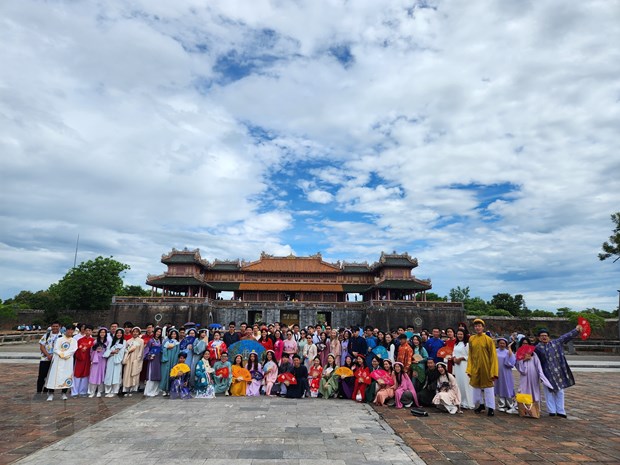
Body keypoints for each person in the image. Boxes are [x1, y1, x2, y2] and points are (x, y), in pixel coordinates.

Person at [535, 325, 583, 418]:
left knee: (560, 391)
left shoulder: (556, 343)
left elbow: (566, 336)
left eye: (545, 335)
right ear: (539, 338)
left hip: (558, 372)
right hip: (546, 373)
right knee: (548, 392)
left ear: (548, 336)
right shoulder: (537, 348)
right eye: (542, 336)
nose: (544, 337)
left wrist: (576, 330)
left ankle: (561, 410)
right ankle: (551, 410)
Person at [466, 318, 499, 416]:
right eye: (476, 326)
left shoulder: (488, 340)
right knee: (476, 387)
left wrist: (493, 370)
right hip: (476, 366)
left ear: (483, 327)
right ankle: (480, 404)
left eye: (479, 326)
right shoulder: (472, 339)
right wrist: (470, 368)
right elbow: (470, 354)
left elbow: (493, 356)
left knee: (488, 388)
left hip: (486, 366)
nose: (477, 328)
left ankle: (491, 407)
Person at [515, 339, 552, 408]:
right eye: (523, 343)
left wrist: (541, 375)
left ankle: (534, 407)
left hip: (534, 375)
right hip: (524, 375)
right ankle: (521, 406)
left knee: (534, 389)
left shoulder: (533, 354)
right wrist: (523, 360)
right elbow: (517, 365)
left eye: (526, 343)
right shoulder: (518, 353)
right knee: (523, 389)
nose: (525, 345)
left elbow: (538, 365)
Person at [45, 325, 78, 401]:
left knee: (66, 376)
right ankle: (51, 394)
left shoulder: (74, 341)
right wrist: (61, 354)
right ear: (66, 330)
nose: (70, 331)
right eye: (68, 330)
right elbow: (55, 349)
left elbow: (73, 350)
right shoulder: (59, 339)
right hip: (58, 360)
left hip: (68, 360)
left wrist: (66, 354)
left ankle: (63, 393)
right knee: (54, 377)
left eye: (72, 330)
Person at [452, 329, 474, 410]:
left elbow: (470, 356)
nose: (459, 336)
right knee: (459, 383)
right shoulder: (456, 344)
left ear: (464, 335)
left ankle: (468, 402)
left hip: (464, 365)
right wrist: (454, 358)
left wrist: (461, 358)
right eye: (458, 334)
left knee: (466, 383)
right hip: (457, 366)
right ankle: (460, 400)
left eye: (461, 334)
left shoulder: (467, 344)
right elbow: (453, 352)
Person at [37, 321, 61, 394]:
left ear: (60, 327)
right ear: (51, 327)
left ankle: (47, 390)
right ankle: (39, 390)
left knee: (52, 376)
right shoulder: (46, 335)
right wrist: (47, 355)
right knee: (42, 376)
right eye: (53, 326)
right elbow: (42, 346)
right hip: (45, 358)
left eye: (57, 326)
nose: (55, 328)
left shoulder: (62, 337)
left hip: (56, 359)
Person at [495, 337, 518, 414]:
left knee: (508, 387)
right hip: (497, 372)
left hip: (506, 372)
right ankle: (501, 405)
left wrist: (510, 349)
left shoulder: (508, 352)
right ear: (498, 344)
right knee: (499, 387)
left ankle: (510, 404)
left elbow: (512, 361)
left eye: (503, 343)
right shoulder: (495, 351)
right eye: (500, 343)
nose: (502, 344)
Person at [72, 324, 94, 397]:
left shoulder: (93, 341)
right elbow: (76, 350)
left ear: (92, 332)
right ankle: (75, 392)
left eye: (89, 330)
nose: (88, 332)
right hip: (80, 360)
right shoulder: (80, 340)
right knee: (77, 375)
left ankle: (83, 392)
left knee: (85, 375)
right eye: (86, 330)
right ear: (84, 331)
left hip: (88, 360)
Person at [122, 327, 145, 396]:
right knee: (127, 373)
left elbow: (141, 351)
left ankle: (133, 389)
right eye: (134, 332)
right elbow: (125, 350)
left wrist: (137, 359)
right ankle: (126, 389)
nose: (135, 333)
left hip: (136, 359)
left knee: (134, 373)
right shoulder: (128, 341)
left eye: (136, 332)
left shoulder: (141, 341)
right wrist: (129, 351)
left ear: (139, 333)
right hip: (129, 359)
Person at [103, 328, 126, 397]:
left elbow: (121, 351)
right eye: (117, 333)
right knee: (109, 374)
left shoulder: (124, 342)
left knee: (116, 375)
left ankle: (115, 390)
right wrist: (111, 352)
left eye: (120, 333)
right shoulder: (112, 341)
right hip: (110, 359)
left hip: (117, 360)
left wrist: (114, 352)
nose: (119, 334)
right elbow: (108, 350)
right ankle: (108, 390)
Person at [88, 328, 108, 398]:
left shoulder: (107, 342)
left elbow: (108, 351)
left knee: (101, 374)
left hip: (103, 360)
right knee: (94, 374)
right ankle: (92, 391)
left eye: (104, 332)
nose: (102, 334)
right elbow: (91, 351)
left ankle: (99, 391)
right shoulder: (95, 341)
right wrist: (95, 351)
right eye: (101, 332)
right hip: (96, 360)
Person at [143, 327, 163, 397]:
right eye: (157, 332)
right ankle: (149, 391)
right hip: (152, 359)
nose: (158, 333)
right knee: (151, 375)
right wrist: (149, 356)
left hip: (158, 359)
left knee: (157, 375)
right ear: (155, 332)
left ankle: (155, 390)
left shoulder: (160, 341)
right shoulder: (151, 341)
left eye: (160, 332)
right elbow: (146, 350)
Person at [160, 329, 180, 396]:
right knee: (165, 374)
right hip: (167, 360)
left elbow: (177, 353)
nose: (173, 335)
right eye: (172, 334)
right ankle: (164, 389)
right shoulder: (166, 341)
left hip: (173, 360)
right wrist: (167, 348)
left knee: (171, 374)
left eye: (175, 334)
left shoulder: (177, 343)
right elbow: (163, 349)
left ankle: (169, 389)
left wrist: (175, 361)